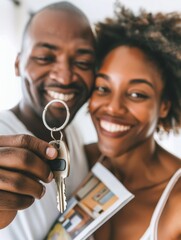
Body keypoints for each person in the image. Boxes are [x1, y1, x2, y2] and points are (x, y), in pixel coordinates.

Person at [0, 1, 95, 239]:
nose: (64, 77)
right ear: (18, 64)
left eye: (83, 62)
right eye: (44, 57)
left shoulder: (72, 132)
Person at [86, 3, 181, 240]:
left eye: (137, 94)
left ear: (163, 106)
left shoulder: (176, 199)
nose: (113, 107)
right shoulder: (73, 164)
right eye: (103, 88)